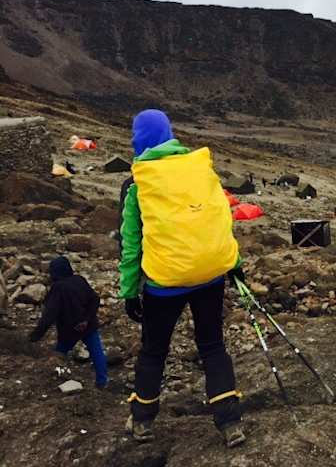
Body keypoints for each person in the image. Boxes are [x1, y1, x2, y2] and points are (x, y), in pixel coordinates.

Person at [119, 109, 246, 448]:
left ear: (139, 138)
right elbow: (218, 221)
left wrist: (129, 291)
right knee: (212, 345)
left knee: (154, 351)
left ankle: (142, 421)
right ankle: (230, 422)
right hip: (210, 276)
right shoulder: (198, 170)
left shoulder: (138, 184)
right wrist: (234, 263)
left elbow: (132, 245)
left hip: (164, 284)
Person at [29, 256, 108, 388]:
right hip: (88, 325)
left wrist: (36, 335)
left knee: (59, 353)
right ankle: (102, 382)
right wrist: (86, 319)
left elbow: (49, 315)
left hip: (70, 329)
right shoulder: (80, 280)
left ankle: (56, 378)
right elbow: (94, 299)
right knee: (97, 353)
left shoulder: (58, 288)